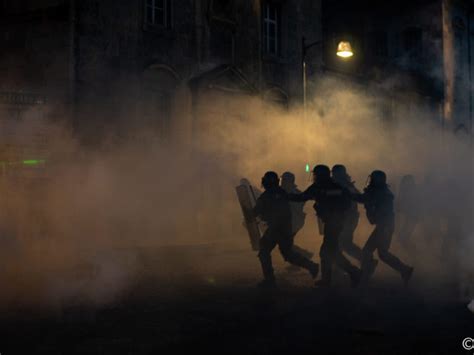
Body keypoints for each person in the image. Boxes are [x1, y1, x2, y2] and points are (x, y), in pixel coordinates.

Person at [288, 165, 361, 288]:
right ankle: (350, 273)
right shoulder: (334, 186)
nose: (315, 177)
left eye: (316, 174)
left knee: (326, 252)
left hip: (334, 224)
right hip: (334, 223)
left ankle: (348, 274)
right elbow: (347, 203)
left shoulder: (320, 187)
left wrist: (283, 195)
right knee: (333, 251)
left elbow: (301, 198)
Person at [253, 171, 319, 288]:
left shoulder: (270, 195)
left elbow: (257, 210)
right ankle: (311, 266)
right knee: (287, 253)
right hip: (284, 227)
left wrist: (251, 214)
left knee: (265, 251)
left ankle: (270, 281)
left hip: (278, 228)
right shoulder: (282, 192)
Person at [354, 170, 414, 286]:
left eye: (373, 179)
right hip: (384, 226)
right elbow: (365, 199)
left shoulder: (382, 193)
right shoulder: (380, 191)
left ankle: (404, 270)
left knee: (381, 253)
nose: (370, 181)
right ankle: (404, 270)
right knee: (373, 251)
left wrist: (349, 195)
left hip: (385, 226)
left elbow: (365, 200)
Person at [331, 165, 363, 262]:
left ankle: (366, 260)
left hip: (347, 219)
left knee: (343, 244)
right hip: (345, 219)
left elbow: (359, 198)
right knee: (340, 244)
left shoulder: (345, 185)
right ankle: (337, 271)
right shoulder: (345, 184)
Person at [280, 172, 313, 260]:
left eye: (285, 180)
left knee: (285, 244)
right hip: (290, 222)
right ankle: (304, 256)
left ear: (290, 181)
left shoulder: (295, 193)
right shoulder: (284, 191)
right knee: (286, 244)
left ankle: (304, 257)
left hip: (294, 222)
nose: (283, 182)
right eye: (282, 180)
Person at [396, 174, 420, 251]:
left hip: (413, 217)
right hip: (410, 217)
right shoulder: (407, 190)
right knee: (403, 237)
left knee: (403, 237)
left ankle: (414, 253)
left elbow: (412, 205)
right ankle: (413, 253)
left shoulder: (413, 191)